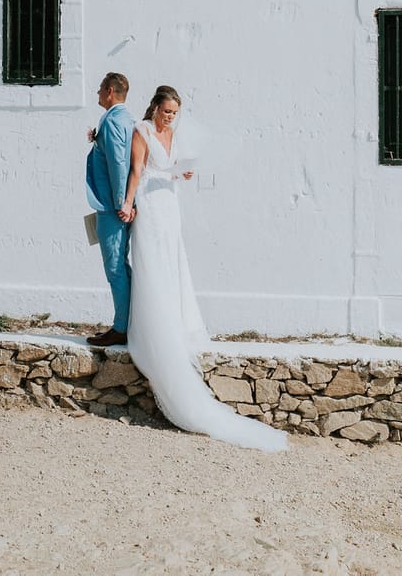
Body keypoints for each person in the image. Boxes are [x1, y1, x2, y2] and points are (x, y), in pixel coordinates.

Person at [118, 85, 288, 452]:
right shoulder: (142, 131)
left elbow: (172, 168)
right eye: (166, 111)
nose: (169, 118)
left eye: (174, 113)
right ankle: (154, 326)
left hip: (170, 206)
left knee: (172, 263)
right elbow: (136, 171)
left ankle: (177, 321)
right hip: (149, 204)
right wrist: (128, 204)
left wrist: (183, 174)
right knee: (151, 265)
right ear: (155, 108)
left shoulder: (174, 133)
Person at [85, 72, 135, 348]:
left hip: (111, 207)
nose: (97, 94)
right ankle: (125, 323)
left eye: (100, 89)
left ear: (110, 91)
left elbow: (118, 163)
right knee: (120, 267)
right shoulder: (124, 118)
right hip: (113, 204)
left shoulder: (115, 121)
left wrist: (120, 204)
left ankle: (121, 328)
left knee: (114, 267)